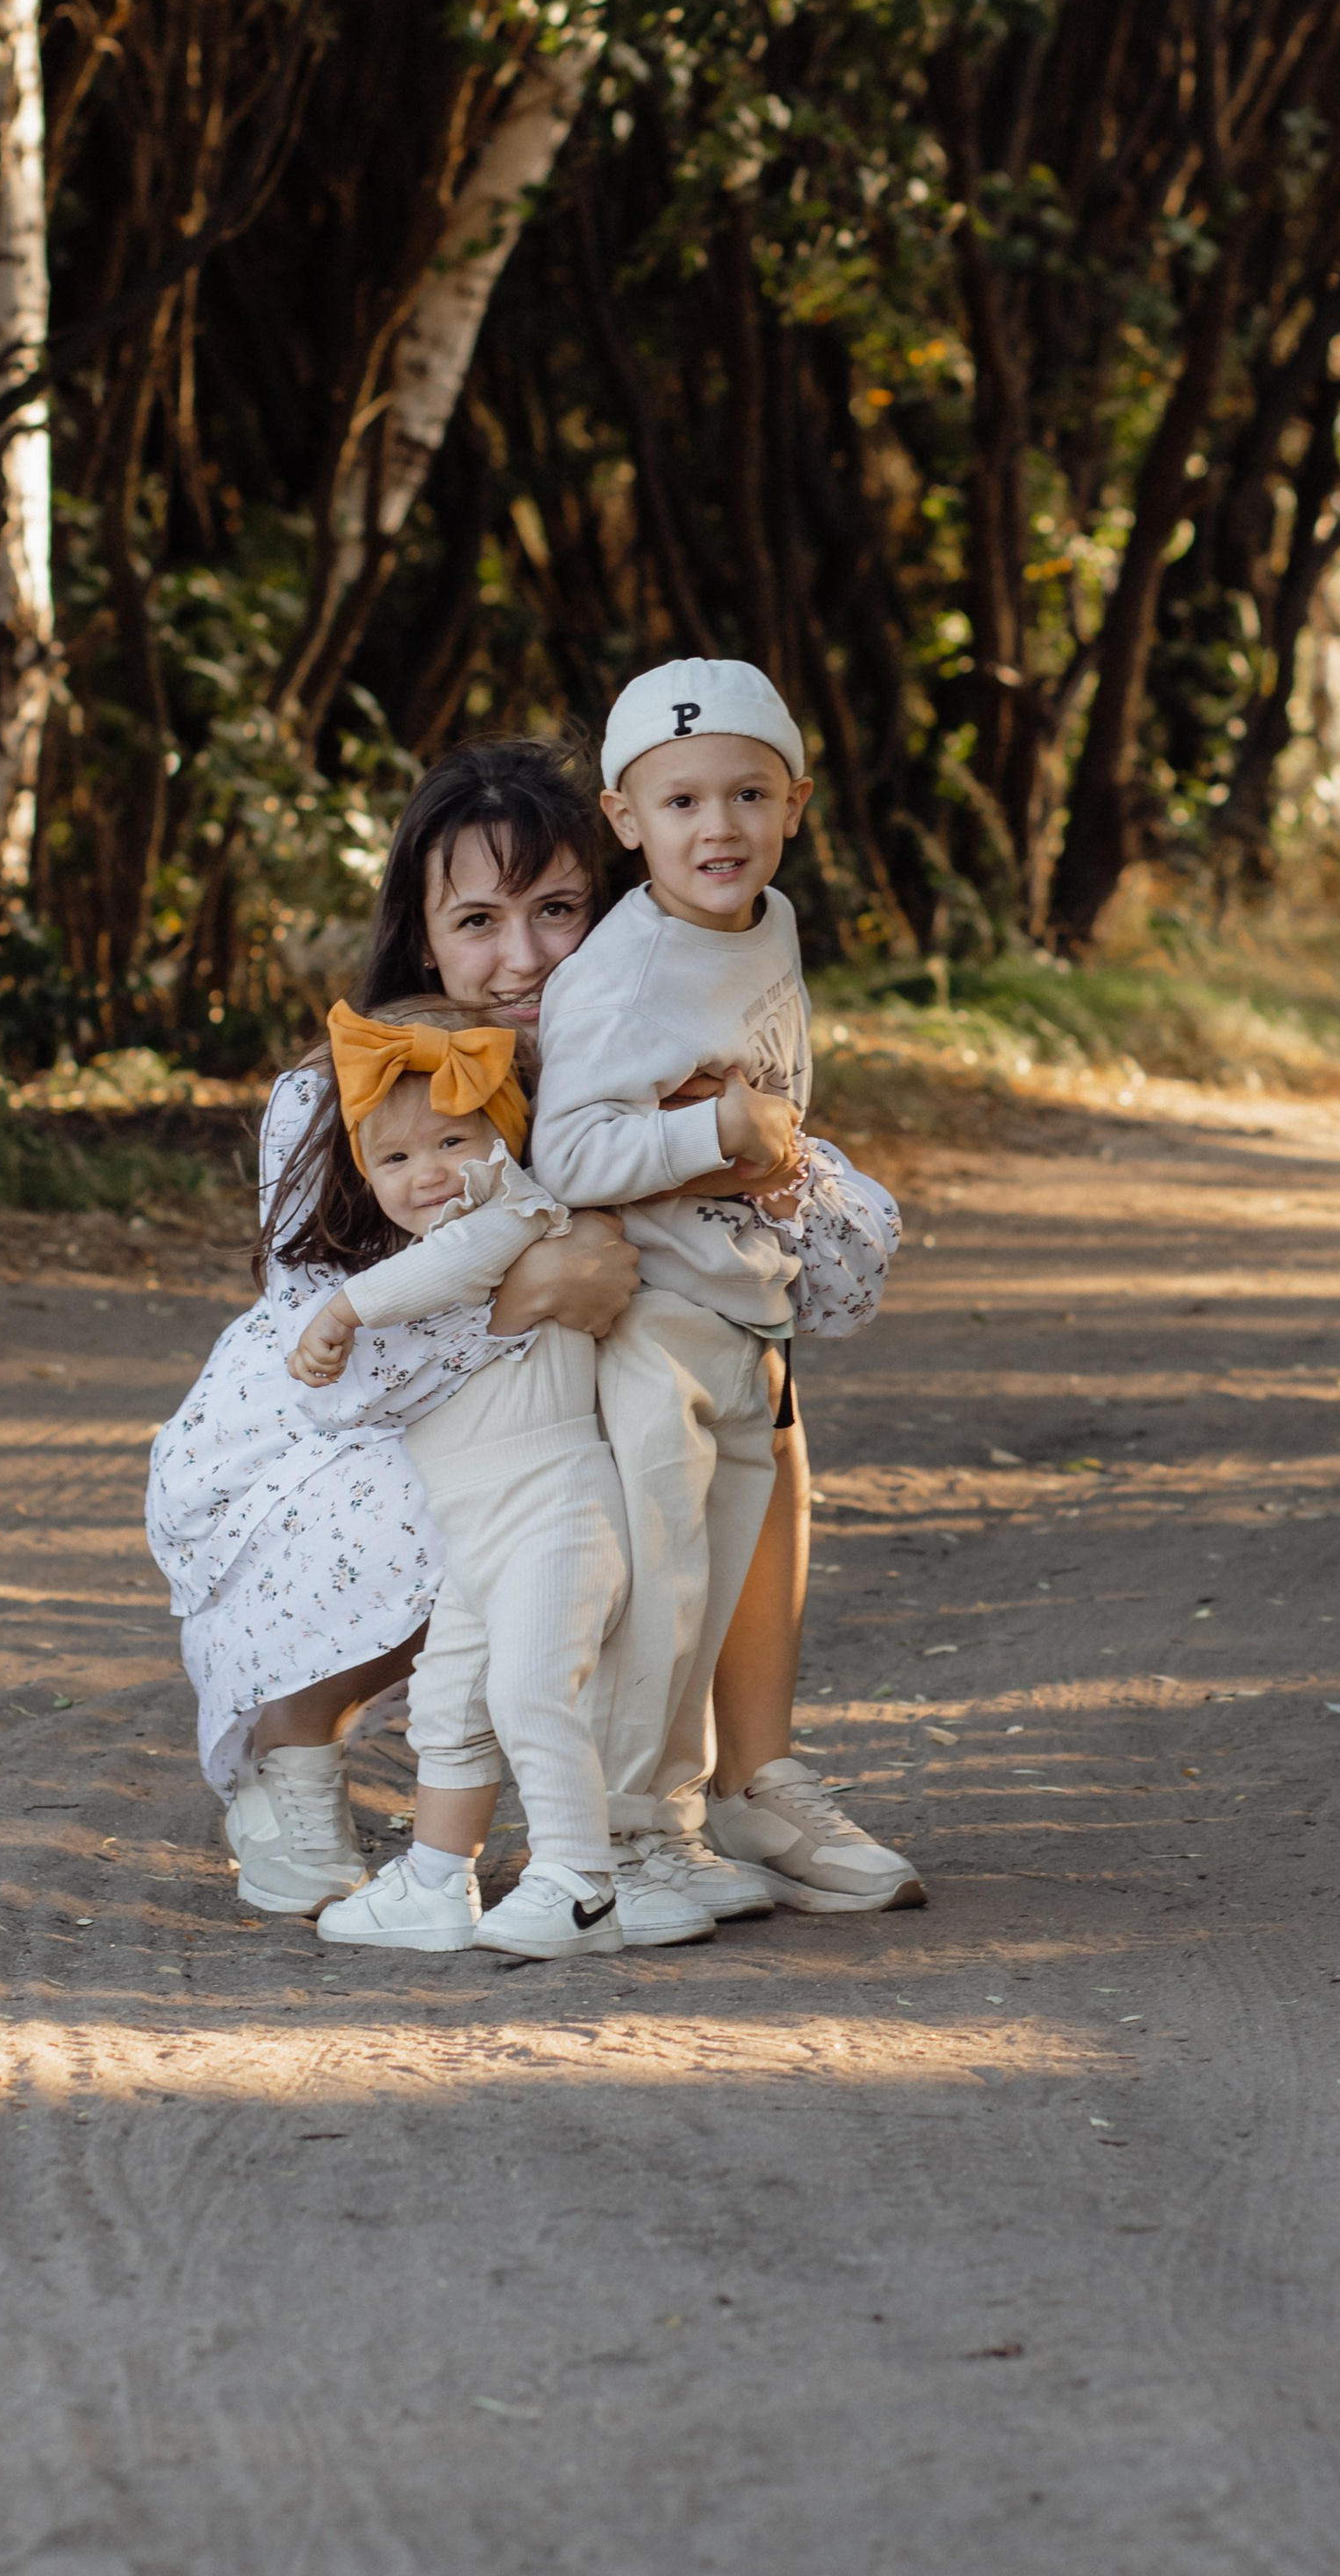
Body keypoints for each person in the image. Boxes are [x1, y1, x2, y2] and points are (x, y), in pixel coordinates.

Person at [146, 734, 915, 1921]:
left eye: (558, 909)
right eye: (478, 921)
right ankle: (294, 1736)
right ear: (422, 935)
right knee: (521, 1472)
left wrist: (764, 1157)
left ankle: (744, 1784)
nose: (525, 959)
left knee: (743, 1376)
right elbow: (321, 1368)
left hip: (567, 1423)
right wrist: (534, 1290)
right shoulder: (344, 1092)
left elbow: (841, 1290)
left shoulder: (655, 1059)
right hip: (361, 1442)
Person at [529, 659, 924, 1915]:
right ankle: (626, 1839)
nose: (721, 827)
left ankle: (713, 1811)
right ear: (624, 818)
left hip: (741, 1305)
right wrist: (720, 1135)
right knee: (657, 1585)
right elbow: (569, 1153)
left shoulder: (770, 922)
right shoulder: (622, 971)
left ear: (796, 805)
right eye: (684, 801)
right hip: (652, 1314)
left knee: (719, 1576)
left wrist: (764, 1158)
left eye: (749, 794)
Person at [281, 1004, 643, 1959]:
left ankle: (580, 1880)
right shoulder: (416, 1262)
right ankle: (438, 1883)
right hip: (476, 1531)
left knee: (531, 1690)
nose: (429, 1172)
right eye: (396, 1159)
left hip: (555, 1509)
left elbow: (455, 1265)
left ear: (502, 1139)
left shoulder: (515, 1213)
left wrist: (344, 1311)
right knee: (446, 1701)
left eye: (454, 1140)